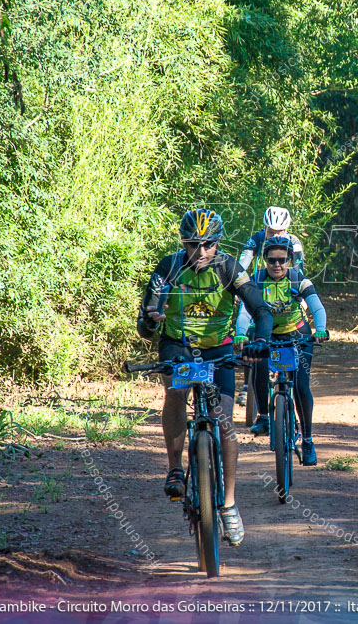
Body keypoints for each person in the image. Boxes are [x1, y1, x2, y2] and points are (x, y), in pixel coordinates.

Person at [136, 208, 272, 546]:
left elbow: (261, 308)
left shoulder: (229, 267)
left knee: (224, 419)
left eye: (208, 244)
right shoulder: (169, 267)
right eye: (194, 244)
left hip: (218, 349)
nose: (201, 252)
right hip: (178, 348)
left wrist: (260, 340)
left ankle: (228, 505)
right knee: (176, 394)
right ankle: (174, 469)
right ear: (184, 243)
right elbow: (146, 323)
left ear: (218, 243)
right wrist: (152, 321)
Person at [235, 236, 329, 466]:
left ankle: (307, 440)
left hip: (298, 334)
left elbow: (317, 307)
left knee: (300, 386)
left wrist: (321, 330)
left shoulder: (299, 279)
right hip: (267, 334)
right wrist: (240, 332)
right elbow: (246, 312)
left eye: (282, 260)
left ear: (290, 260)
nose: (277, 265)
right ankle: (264, 416)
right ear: (265, 260)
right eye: (272, 260)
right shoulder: (255, 280)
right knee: (258, 362)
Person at [239, 206, 306, 276]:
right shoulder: (257, 239)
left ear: (286, 230)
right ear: (265, 228)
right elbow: (241, 266)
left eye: (279, 233)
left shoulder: (294, 242)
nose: (275, 237)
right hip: (258, 284)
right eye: (271, 232)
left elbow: (299, 273)